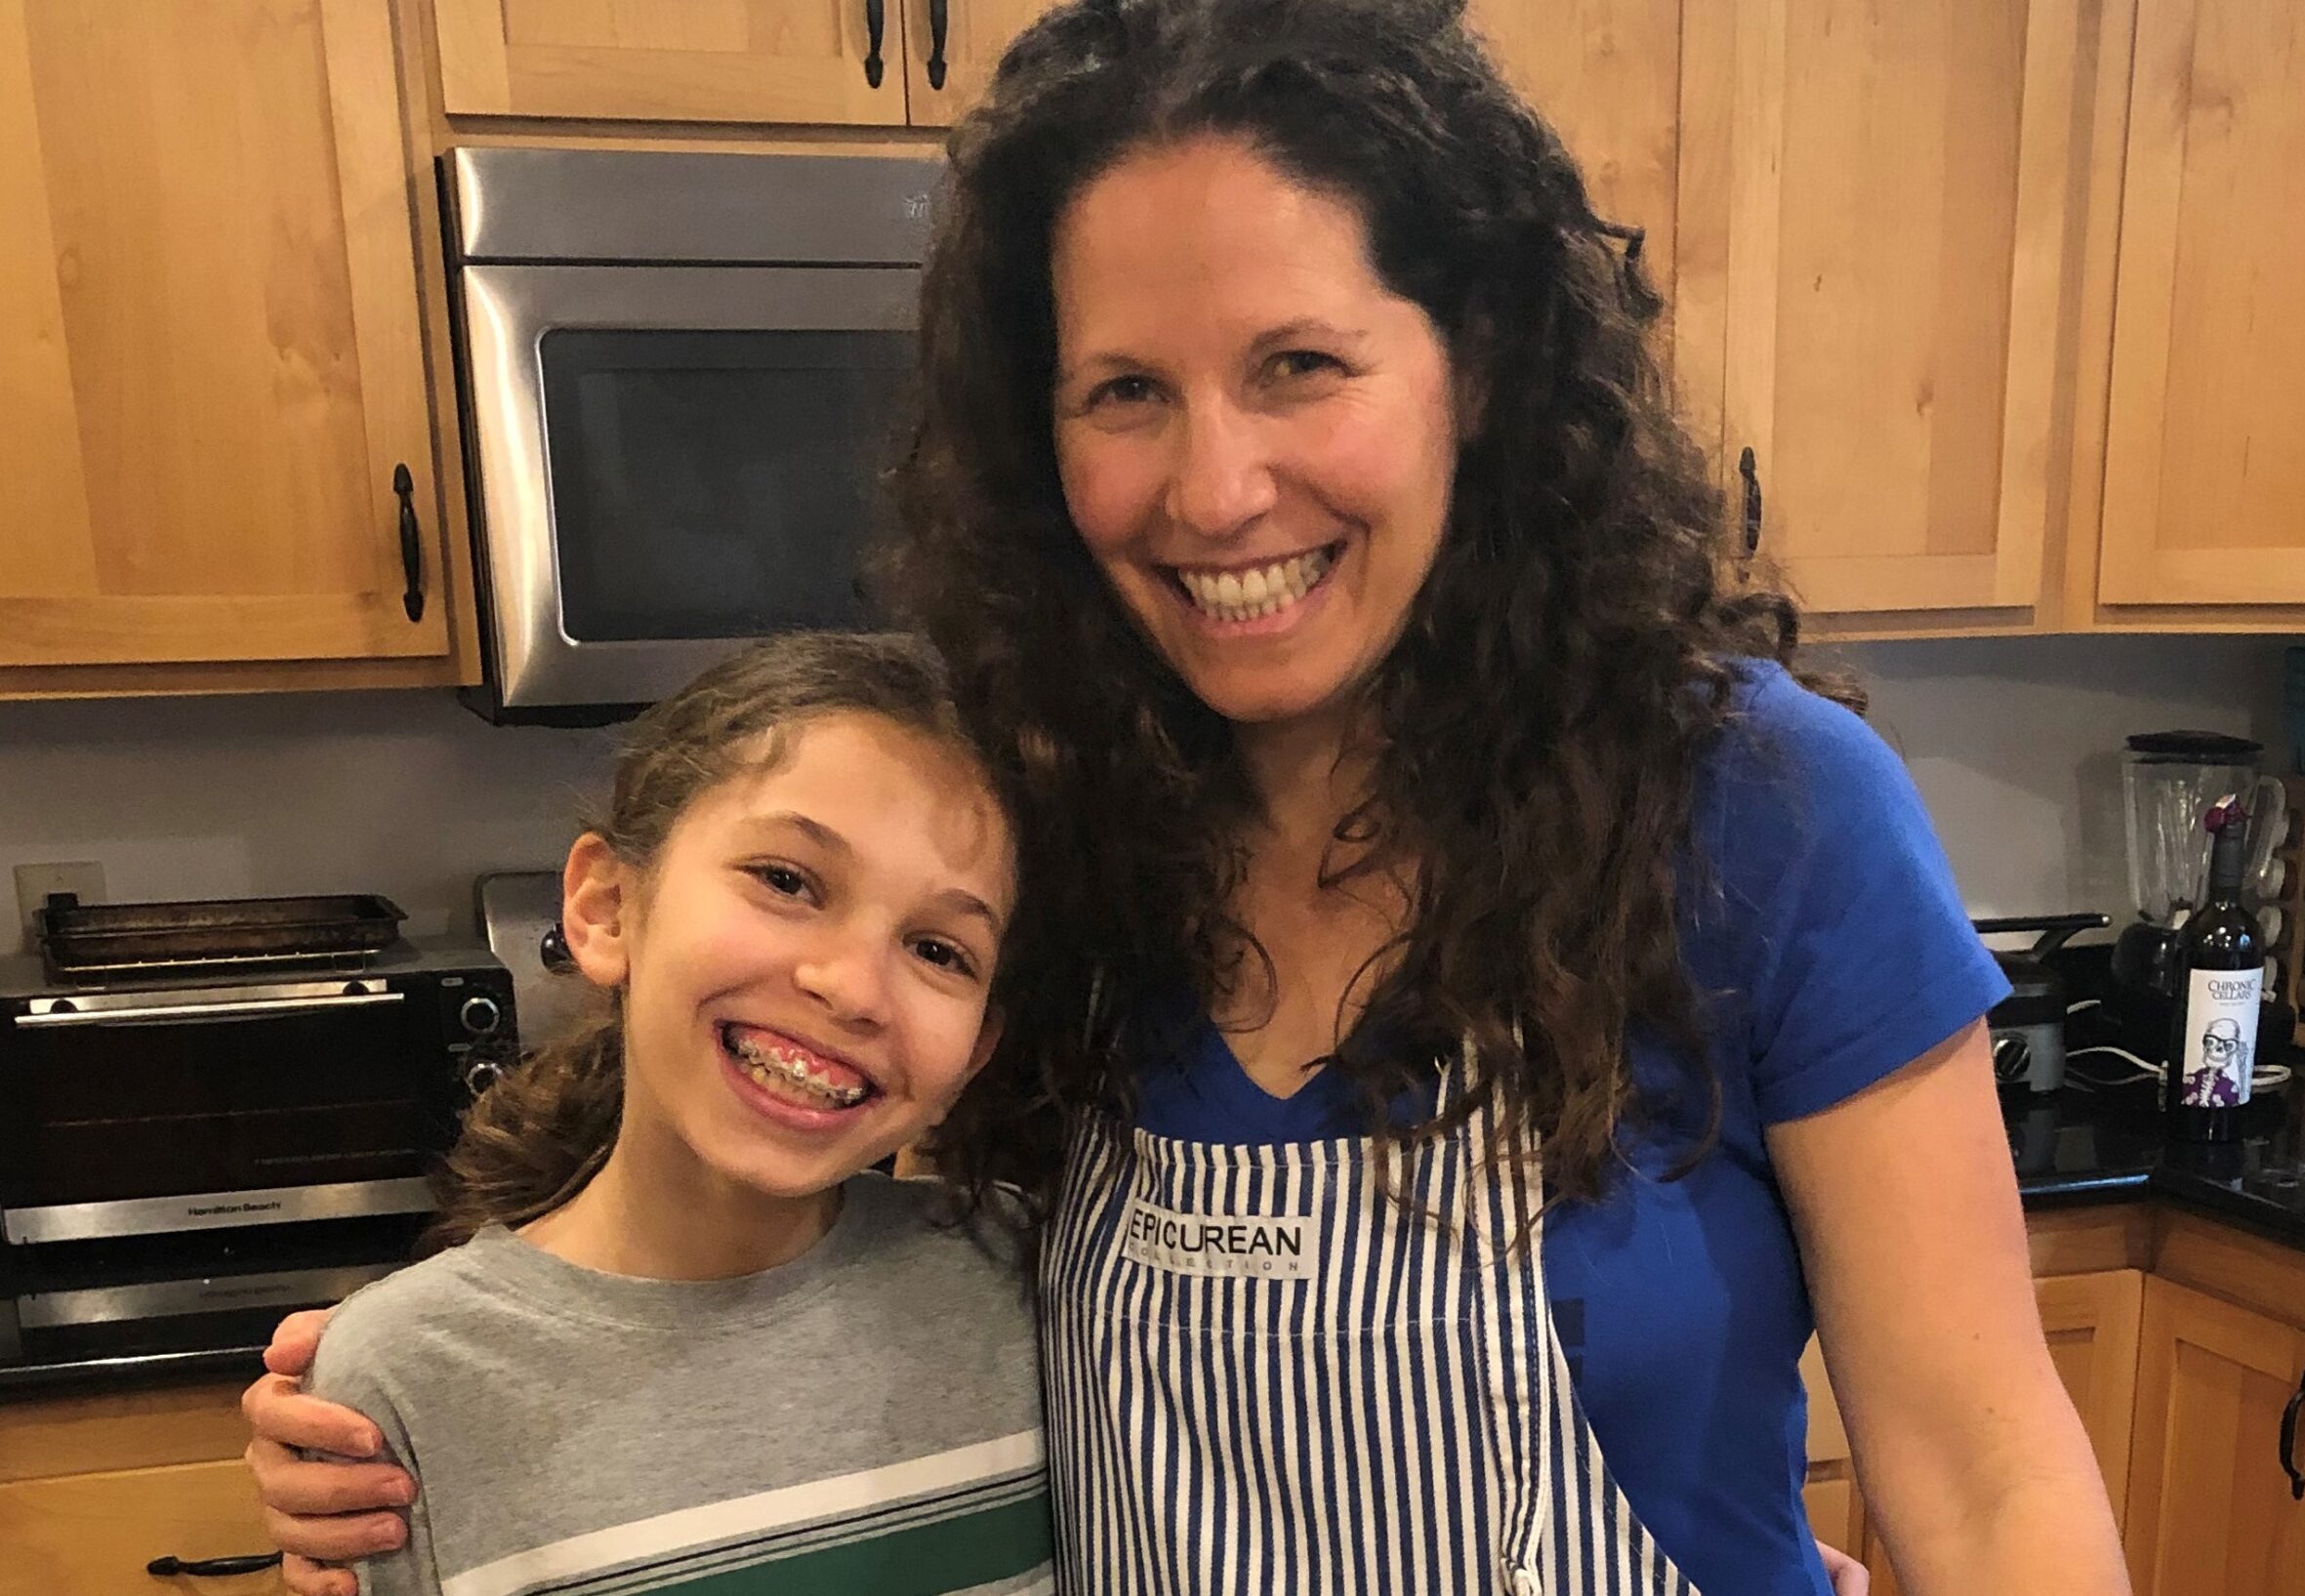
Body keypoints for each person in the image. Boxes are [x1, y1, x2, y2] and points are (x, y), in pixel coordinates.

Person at [244, 3, 2128, 1592]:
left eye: (1300, 366)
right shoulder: (1044, 834)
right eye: (1125, 392)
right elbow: (774, 1199)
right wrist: (447, 1395)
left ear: (1473, 368)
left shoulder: (1759, 813)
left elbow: (1983, 1478)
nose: (1214, 491)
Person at [282, 634, 1048, 1596]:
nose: (852, 987)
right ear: (606, 907)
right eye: (786, 881)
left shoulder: (1026, 1288)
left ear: (976, 1048)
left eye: (939, 949)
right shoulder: (408, 1380)